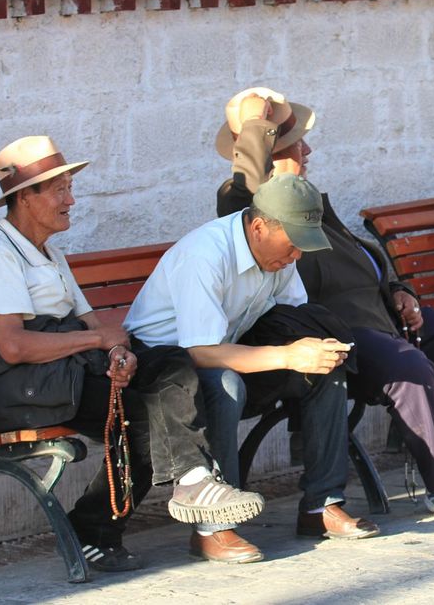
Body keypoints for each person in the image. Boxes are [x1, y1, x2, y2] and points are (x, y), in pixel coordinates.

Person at [0, 136, 265, 573]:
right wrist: (98, 342)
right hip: (20, 389)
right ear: (25, 197)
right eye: (59, 189)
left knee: (173, 362)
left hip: (63, 375)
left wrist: (118, 348)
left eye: (69, 188)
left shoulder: (50, 253)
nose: (71, 199)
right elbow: (14, 346)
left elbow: (93, 324)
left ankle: (192, 480)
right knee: (142, 417)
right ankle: (94, 527)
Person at [217, 88, 434, 520]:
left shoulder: (307, 196)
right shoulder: (246, 206)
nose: (307, 150)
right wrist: (256, 127)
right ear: (267, 155)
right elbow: (243, 190)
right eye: (294, 145)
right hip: (339, 333)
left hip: (381, 314)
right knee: (409, 365)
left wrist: (399, 290)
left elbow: (361, 255)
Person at [125, 171, 377, 564]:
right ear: (259, 227)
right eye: (292, 245)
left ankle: (320, 504)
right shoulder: (205, 254)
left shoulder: (277, 253)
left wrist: (310, 349)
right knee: (224, 384)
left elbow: (287, 311)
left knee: (325, 367)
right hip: (167, 374)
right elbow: (200, 353)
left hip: (228, 351)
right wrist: (287, 356)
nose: (295, 257)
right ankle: (213, 527)